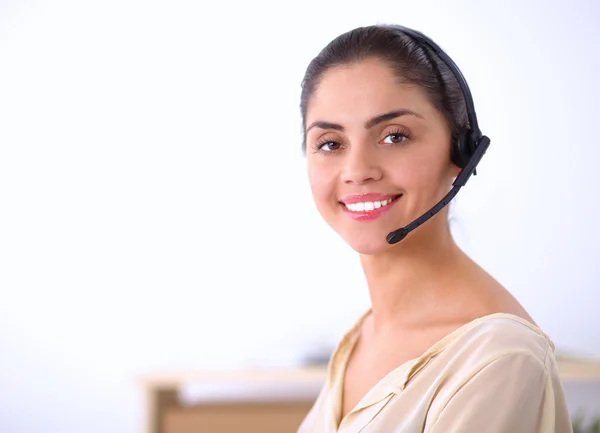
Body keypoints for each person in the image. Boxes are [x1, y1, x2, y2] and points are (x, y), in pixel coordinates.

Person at [296, 24, 573, 433]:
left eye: (394, 136)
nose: (356, 172)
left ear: (461, 151)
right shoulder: (362, 337)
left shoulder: (499, 358)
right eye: (331, 143)